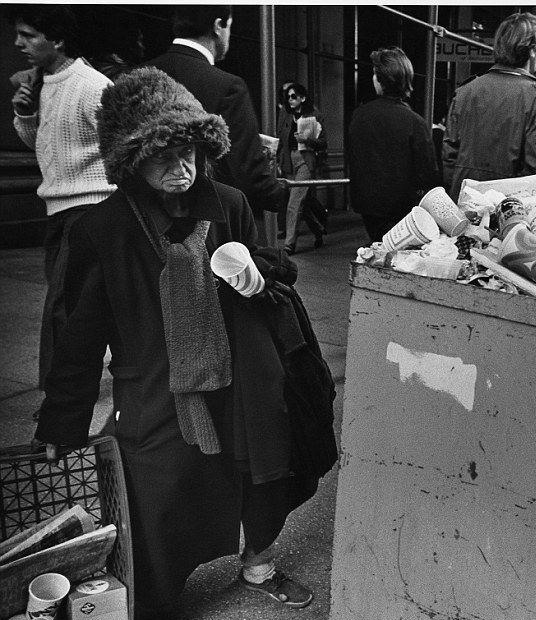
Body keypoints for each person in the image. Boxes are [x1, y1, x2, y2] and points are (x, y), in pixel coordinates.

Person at [34, 67, 338, 620]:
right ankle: (151, 604)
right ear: (129, 163)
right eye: (163, 157)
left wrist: (260, 276)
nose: (182, 168)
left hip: (238, 378)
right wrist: (63, 419)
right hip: (152, 390)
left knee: (258, 476)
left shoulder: (229, 204)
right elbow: (80, 335)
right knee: (156, 500)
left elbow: (266, 278)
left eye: (191, 152)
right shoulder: (103, 229)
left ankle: (258, 560)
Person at [8, 5, 115, 408]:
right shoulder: (44, 82)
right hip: (59, 209)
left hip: (88, 210)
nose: (19, 44)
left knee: (64, 312)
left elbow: (120, 148)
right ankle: (61, 400)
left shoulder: (92, 86)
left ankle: (61, 406)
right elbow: (44, 146)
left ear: (58, 39)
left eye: (29, 35)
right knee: (67, 311)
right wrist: (25, 112)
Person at [145, 5, 284, 214]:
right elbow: (249, 177)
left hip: (147, 217)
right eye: (229, 27)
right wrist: (285, 198)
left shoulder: (137, 76)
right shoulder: (227, 87)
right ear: (218, 26)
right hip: (209, 219)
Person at [441, 12, 536, 198]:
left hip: (464, 206)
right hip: (512, 217)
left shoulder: (465, 92)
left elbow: (449, 157)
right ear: (531, 50)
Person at [348, 47, 440, 242]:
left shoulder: (360, 116)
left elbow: (355, 160)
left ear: (381, 81)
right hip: (403, 211)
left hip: (368, 207)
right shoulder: (415, 122)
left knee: (377, 247)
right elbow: (428, 175)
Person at [276, 82, 328, 255]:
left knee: (294, 202)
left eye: (293, 97)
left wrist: (307, 140)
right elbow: (280, 140)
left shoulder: (314, 115)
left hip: (306, 160)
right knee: (301, 205)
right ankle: (318, 229)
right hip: (288, 160)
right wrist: (277, 161)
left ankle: (289, 244)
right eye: (288, 97)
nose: (290, 100)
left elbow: (323, 143)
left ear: (302, 98)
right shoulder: (285, 114)